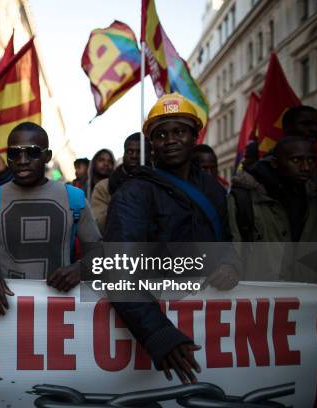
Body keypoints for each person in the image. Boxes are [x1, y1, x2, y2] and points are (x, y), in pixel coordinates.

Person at [105, 93, 239, 384]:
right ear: (151, 145)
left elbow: (226, 243)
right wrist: (159, 334)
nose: (170, 140)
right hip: (159, 332)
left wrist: (229, 266)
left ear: (194, 136)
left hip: (212, 325)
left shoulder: (213, 190)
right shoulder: (134, 193)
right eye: (161, 134)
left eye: (179, 131)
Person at [0, 122, 101, 316]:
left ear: (47, 156)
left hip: (61, 313)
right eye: (14, 153)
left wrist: (81, 268)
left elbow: (100, 254)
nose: (22, 160)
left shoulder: (74, 198)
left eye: (32, 152)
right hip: (8, 314)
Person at [229, 137, 317, 280]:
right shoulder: (243, 199)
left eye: (311, 160)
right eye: (296, 160)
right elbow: (233, 252)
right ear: (275, 163)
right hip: (262, 297)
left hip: (309, 297)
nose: (306, 167)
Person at [91, 133, 150, 232]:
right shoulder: (104, 187)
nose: (134, 156)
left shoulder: (158, 183)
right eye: (130, 151)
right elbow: (98, 225)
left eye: (139, 152)